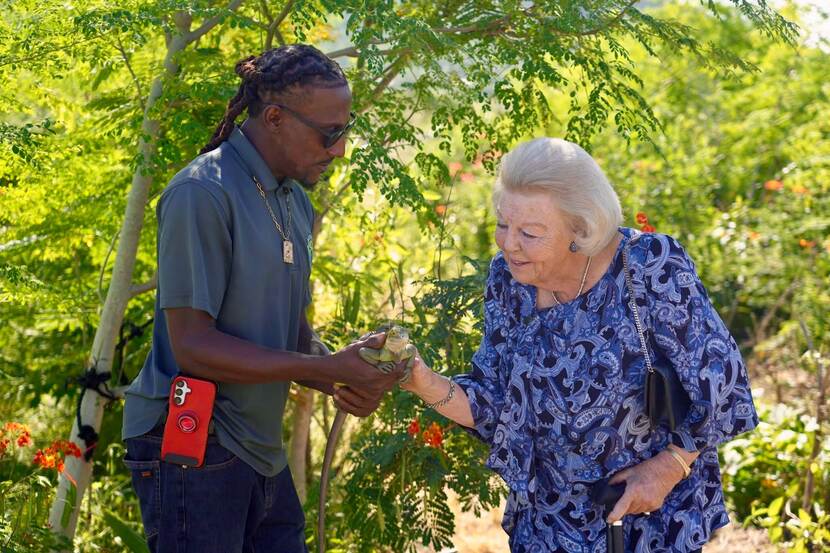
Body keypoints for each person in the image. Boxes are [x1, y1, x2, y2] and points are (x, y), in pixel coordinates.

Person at [402, 137, 759, 552]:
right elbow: (496, 405)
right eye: (503, 224)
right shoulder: (508, 280)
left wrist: (669, 466)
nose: (508, 243)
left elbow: (725, 387)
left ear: (581, 228)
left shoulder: (649, 265)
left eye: (529, 233)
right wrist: (421, 380)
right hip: (545, 526)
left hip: (644, 523)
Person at [122, 44, 401, 553]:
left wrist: (346, 368)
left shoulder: (293, 199)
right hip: (193, 443)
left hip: (259, 450)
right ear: (274, 117)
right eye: (330, 133)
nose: (339, 149)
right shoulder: (201, 193)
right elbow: (193, 347)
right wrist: (325, 369)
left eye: (346, 130)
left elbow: (285, 331)